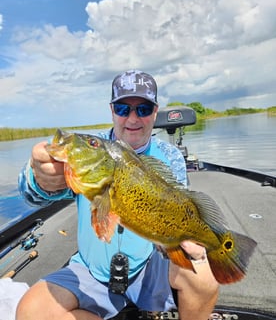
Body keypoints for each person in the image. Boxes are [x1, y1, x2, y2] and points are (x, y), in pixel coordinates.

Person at [16, 70, 219, 320]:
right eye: (123, 109)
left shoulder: (170, 156)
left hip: (150, 264)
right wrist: (38, 177)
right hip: (92, 270)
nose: (133, 118)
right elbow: (35, 196)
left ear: (155, 112)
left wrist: (179, 243)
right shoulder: (94, 151)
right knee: (31, 311)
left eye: (143, 109)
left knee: (204, 280)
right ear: (112, 110)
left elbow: (179, 208)